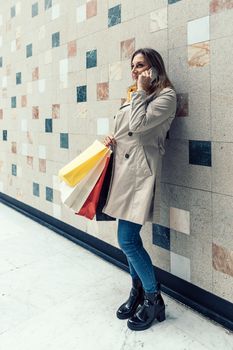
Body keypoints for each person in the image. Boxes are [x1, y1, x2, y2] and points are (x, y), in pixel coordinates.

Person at [102, 48, 177, 331]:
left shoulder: (165, 96)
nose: (135, 70)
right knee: (128, 238)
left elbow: (139, 125)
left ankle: (152, 298)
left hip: (140, 174)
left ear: (154, 67)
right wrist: (113, 139)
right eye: (132, 65)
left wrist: (141, 92)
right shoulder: (136, 93)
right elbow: (126, 130)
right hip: (123, 172)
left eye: (141, 65)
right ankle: (137, 293)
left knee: (128, 240)